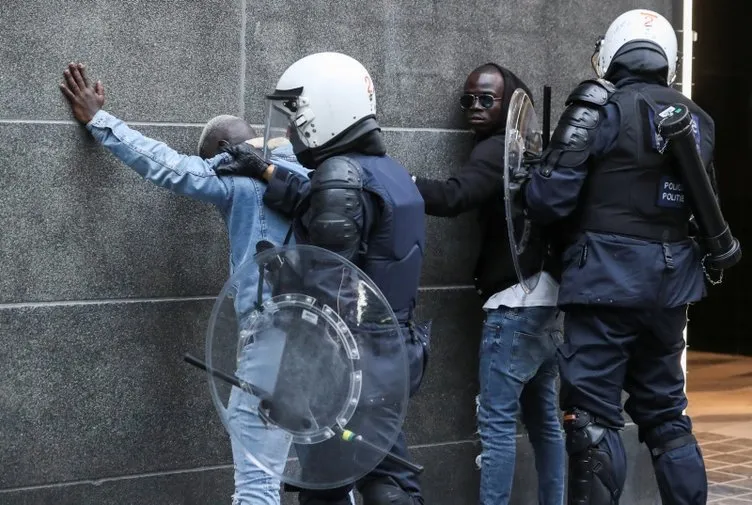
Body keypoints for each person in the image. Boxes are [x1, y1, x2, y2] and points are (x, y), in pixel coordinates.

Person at [58, 62, 311, 505]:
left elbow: (171, 168)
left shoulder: (242, 179)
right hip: (326, 344)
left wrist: (100, 120)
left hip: (272, 345)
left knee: (257, 485)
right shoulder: (313, 178)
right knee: (330, 481)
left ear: (222, 148)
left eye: (213, 156)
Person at [518, 9, 723, 505]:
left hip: (606, 281)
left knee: (592, 415)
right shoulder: (698, 119)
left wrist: (534, 172)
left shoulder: (600, 108)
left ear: (612, 52)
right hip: (670, 288)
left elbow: (550, 201)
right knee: (666, 413)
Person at [221, 51, 430, 505]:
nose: (292, 128)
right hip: (387, 355)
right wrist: (266, 170)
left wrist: (289, 379)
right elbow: (326, 209)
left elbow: (318, 294)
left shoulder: (341, 175)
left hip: (343, 364)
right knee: (383, 471)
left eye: (296, 114)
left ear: (324, 110)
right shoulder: (387, 173)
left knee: (335, 486)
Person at [409, 62, 565, 505]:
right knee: (544, 424)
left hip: (512, 309)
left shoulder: (497, 149)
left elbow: (455, 196)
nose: (474, 108)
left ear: (509, 103)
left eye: (485, 99)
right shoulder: (529, 148)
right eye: (467, 100)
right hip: (546, 302)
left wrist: (401, 181)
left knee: (496, 426)